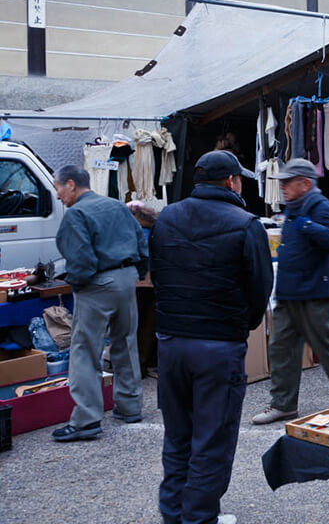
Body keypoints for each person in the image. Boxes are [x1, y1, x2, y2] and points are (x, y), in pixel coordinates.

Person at [150, 150, 272, 524]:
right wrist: (241, 326)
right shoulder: (247, 223)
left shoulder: (166, 217)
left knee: (178, 437)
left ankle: (174, 514)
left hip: (171, 342)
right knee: (211, 442)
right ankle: (200, 518)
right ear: (232, 181)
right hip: (218, 345)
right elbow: (260, 288)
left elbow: (157, 274)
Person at [253, 159, 329, 425]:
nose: (283, 187)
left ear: (305, 183)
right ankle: (284, 404)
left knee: (324, 347)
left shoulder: (319, 207)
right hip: (291, 293)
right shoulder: (294, 208)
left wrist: (308, 227)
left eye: (288, 182)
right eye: (282, 182)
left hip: (314, 291)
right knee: (280, 348)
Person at [50, 165, 147, 442]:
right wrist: (136, 272)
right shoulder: (117, 206)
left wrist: (80, 285)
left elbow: (80, 260)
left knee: (85, 350)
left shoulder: (76, 214)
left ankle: (86, 420)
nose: (57, 195)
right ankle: (130, 407)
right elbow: (141, 241)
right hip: (127, 278)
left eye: (57, 188)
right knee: (125, 341)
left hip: (97, 284)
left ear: (70, 184)